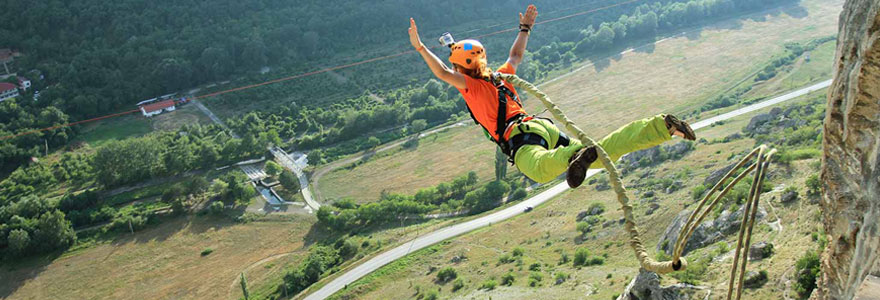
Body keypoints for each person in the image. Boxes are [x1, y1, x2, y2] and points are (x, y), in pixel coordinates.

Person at [407, 4, 696, 188]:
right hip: (541, 127)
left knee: (541, 170)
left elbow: (444, 72)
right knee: (602, 154)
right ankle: (661, 127)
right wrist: (525, 28)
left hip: (520, 137)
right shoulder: (500, 77)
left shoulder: (472, 87)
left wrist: (421, 49)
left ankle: (574, 155)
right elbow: (516, 54)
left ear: (461, 70)